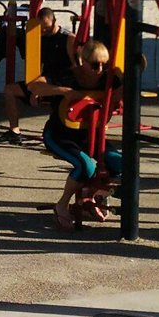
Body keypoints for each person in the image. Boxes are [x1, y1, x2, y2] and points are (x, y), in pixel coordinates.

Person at [29, 38, 122, 230]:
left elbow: (124, 88)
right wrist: (64, 91)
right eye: (95, 65)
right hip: (59, 134)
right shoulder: (66, 75)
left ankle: (95, 194)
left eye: (105, 65)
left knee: (121, 163)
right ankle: (62, 205)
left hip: (90, 135)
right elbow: (35, 86)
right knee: (85, 166)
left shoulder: (108, 78)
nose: (100, 69)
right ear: (83, 61)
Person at [0, 7, 78, 145]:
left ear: (55, 21)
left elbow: (76, 67)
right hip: (46, 79)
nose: (44, 31)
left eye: (47, 27)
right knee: (10, 90)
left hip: (62, 80)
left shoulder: (68, 39)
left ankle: (50, 92)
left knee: (38, 85)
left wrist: (38, 89)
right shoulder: (38, 37)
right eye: (41, 28)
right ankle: (14, 130)